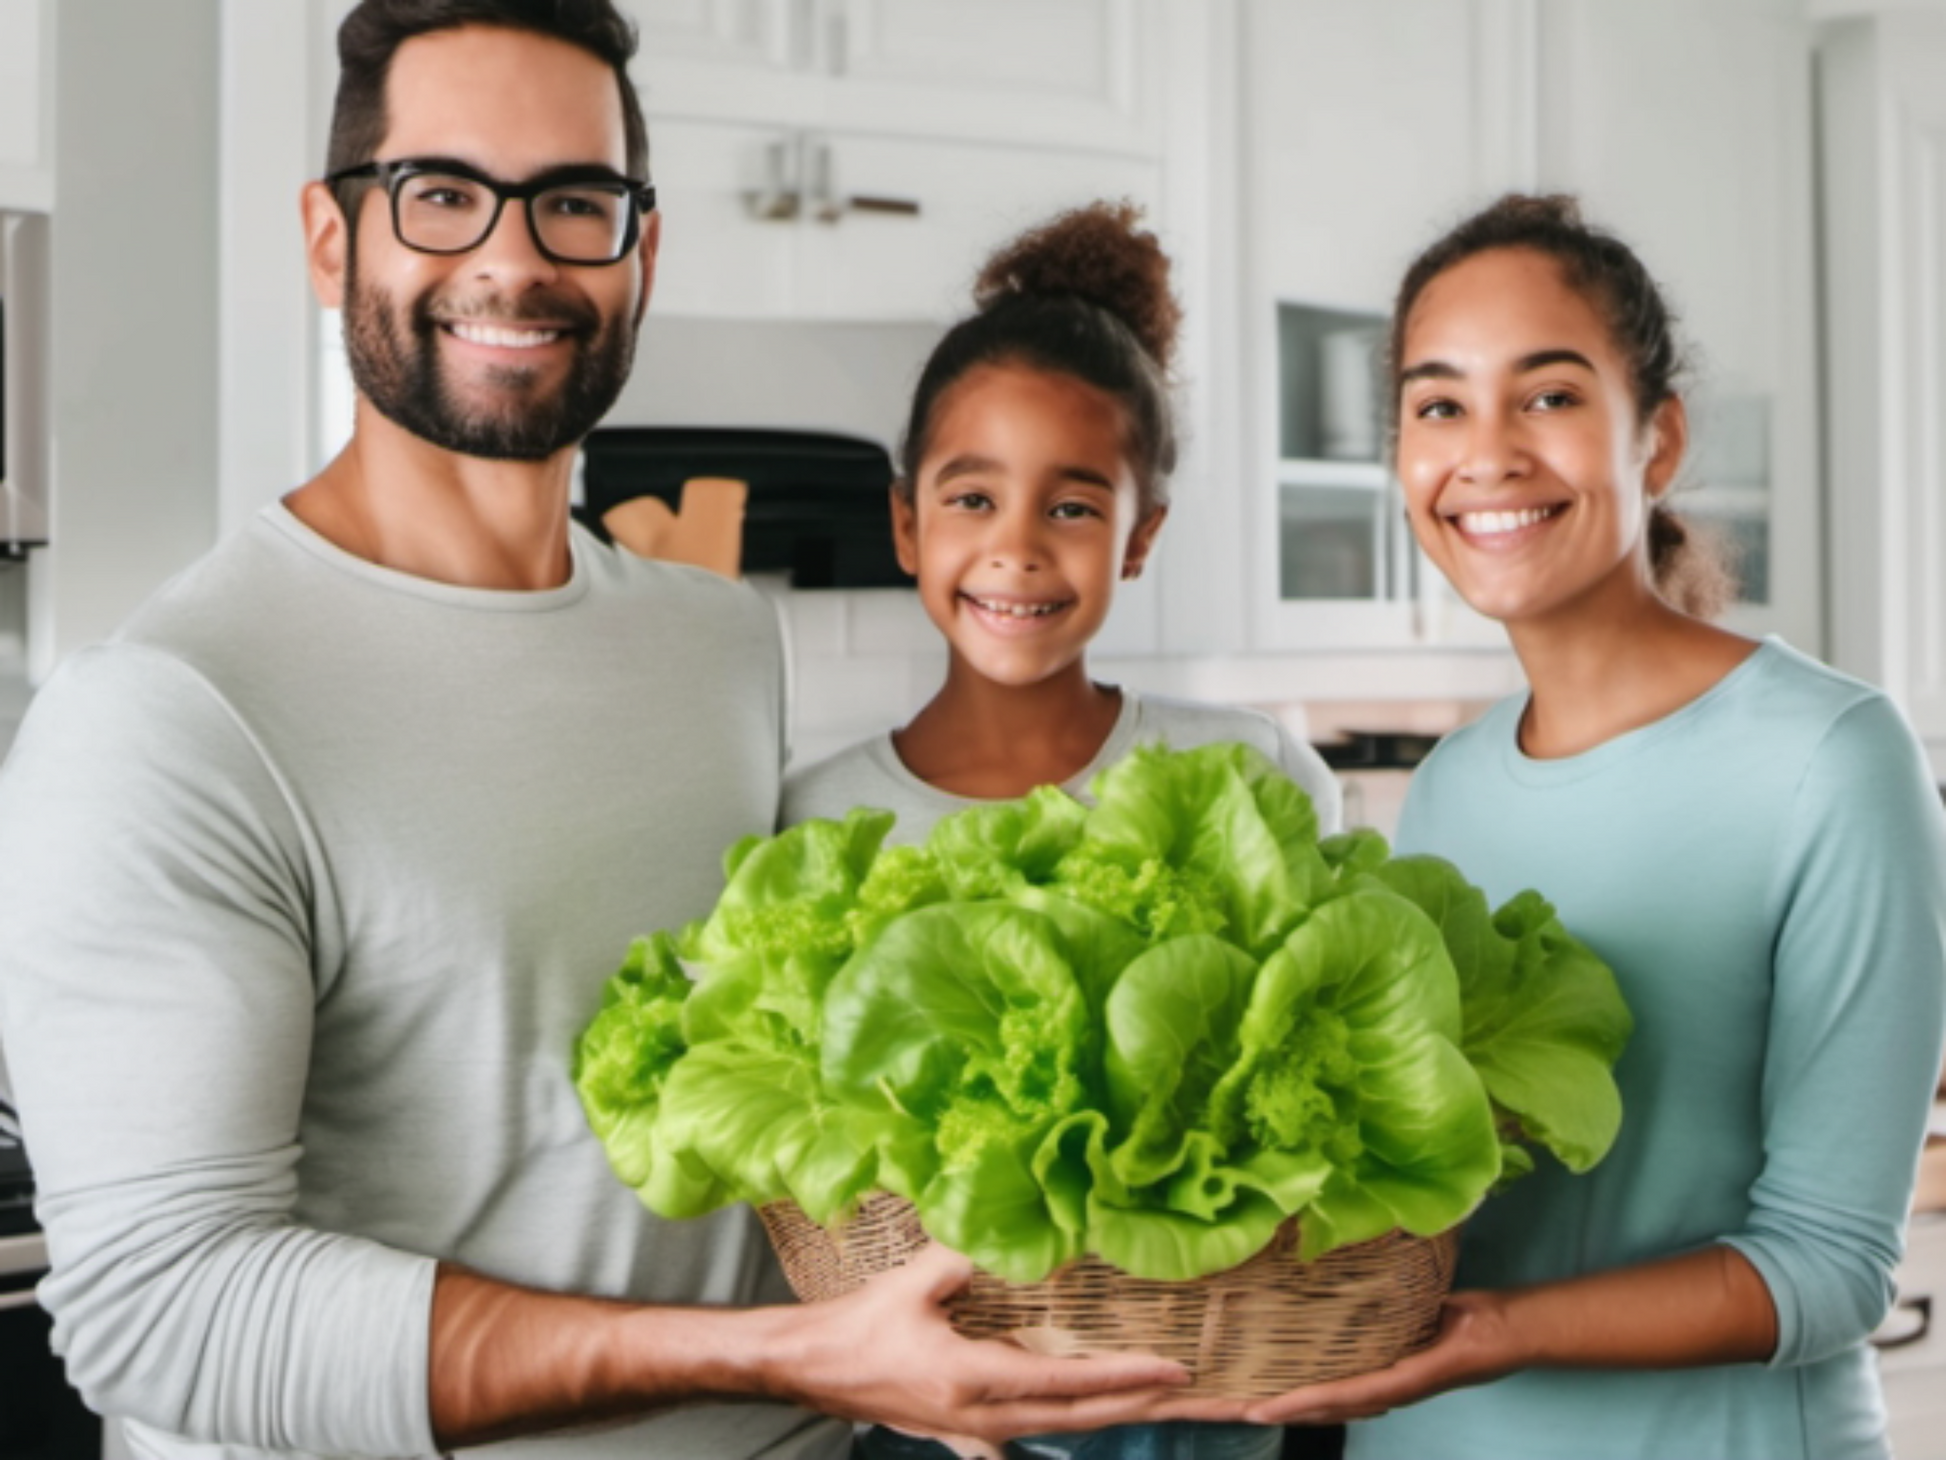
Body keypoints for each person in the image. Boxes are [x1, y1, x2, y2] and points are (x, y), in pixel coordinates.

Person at [0, 6, 1200, 1458]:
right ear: (332, 237)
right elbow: (164, 1311)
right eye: (440, 194)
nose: (512, 259)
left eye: (574, 201)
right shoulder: (170, 713)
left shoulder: (711, 641)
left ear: (640, 251)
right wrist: (777, 1358)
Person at [1243, 193, 1946, 1460]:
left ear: (1656, 439)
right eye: (1438, 403)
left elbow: (1828, 1266)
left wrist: (1496, 1331)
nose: (1487, 450)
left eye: (1549, 395)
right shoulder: (1449, 783)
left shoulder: (1830, 758)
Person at [782, 201, 1344, 1460]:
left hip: (1203, 1415)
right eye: (971, 495)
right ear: (904, 524)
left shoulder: (1246, 771)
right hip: (925, 1434)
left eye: (1074, 508)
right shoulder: (819, 821)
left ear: (1140, 536)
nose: (1017, 548)